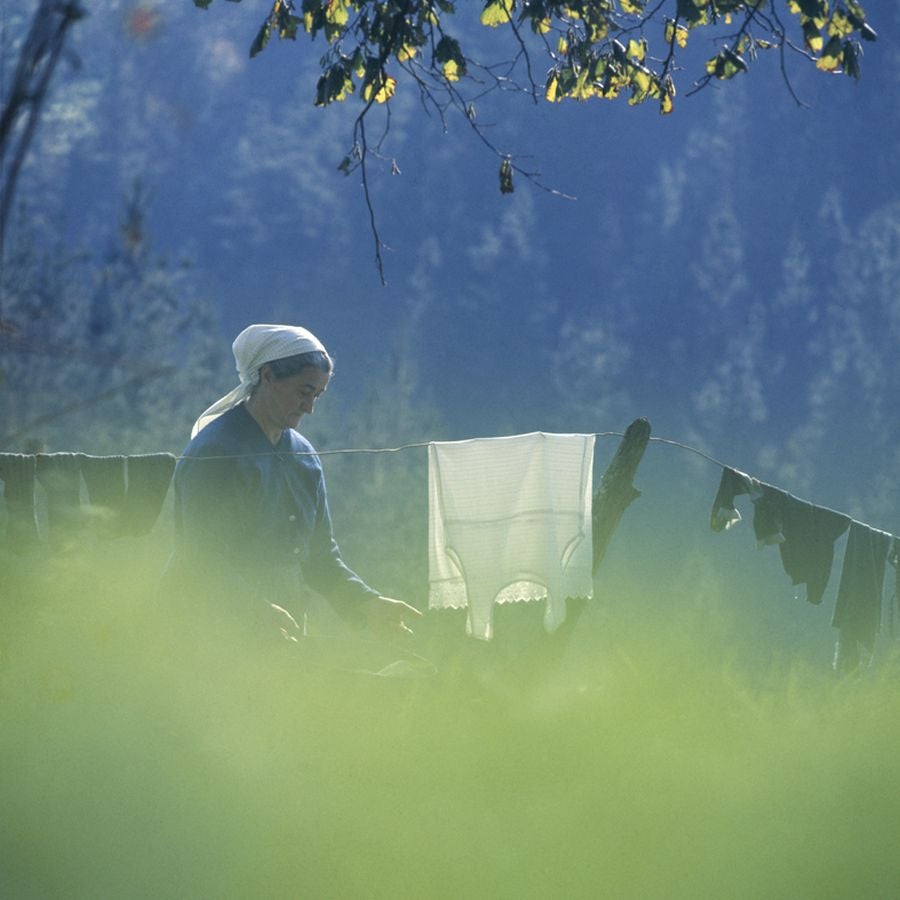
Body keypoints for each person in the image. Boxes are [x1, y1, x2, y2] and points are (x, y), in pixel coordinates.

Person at [166, 323, 420, 642]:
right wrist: (252, 610)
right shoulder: (216, 452)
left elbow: (319, 556)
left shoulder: (304, 458)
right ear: (268, 376)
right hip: (205, 628)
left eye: (317, 395)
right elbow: (202, 557)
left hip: (282, 626)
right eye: (304, 392)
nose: (310, 407)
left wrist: (367, 604)